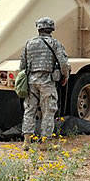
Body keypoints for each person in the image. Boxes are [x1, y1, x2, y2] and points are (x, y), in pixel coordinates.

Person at [21, 17, 69, 150]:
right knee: (48, 110)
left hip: (31, 81)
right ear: (51, 29)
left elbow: (22, 65)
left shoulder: (29, 43)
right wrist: (65, 76)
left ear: (39, 28)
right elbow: (64, 63)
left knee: (29, 110)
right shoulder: (55, 43)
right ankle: (45, 142)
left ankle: (26, 142)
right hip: (47, 82)